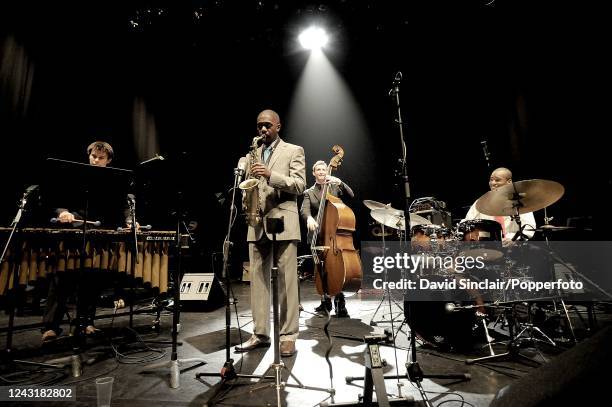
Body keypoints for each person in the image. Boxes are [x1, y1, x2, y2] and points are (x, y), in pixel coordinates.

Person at [235, 110, 306, 357]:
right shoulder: (251, 153)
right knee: (257, 282)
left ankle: (288, 336)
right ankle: (260, 333)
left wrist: (270, 175)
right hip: (256, 222)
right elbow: (246, 187)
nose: (263, 130)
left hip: (283, 222)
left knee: (287, 284)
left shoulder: (294, 150)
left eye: (267, 125)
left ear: (278, 126)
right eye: (259, 126)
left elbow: (299, 185)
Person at [42, 141, 125, 342]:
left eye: (100, 158)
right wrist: (64, 212)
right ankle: (51, 326)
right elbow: (57, 200)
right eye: (93, 157)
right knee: (62, 277)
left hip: (97, 232)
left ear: (109, 161)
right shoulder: (74, 176)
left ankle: (86, 321)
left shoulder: (114, 181)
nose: (95, 160)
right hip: (73, 231)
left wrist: (130, 221)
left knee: (92, 279)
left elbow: (122, 206)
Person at [300, 160, 354, 317]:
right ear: (314, 173)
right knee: (320, 269)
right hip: (318, 235)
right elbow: (304, 210)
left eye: (324, 169)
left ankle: (340, 301)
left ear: (327, 171)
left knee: (338, 268)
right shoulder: (309, 192)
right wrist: (309, 218)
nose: (322, 172)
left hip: (334, 235)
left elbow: (351, 195)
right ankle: (325, 301)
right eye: (318, 170)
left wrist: (341, 182)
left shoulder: (334, 187)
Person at [463, 167, 536, 241]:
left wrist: (512, 239)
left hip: (515, 246)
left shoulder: (519, 200)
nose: (493, 183)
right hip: (488, 246)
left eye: (497, 180)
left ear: (509, 182)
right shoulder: (481, 202)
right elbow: (466, 223)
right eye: (491, 180)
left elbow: (529, 228)